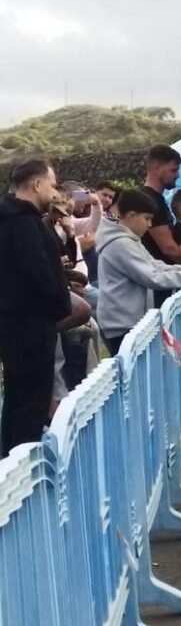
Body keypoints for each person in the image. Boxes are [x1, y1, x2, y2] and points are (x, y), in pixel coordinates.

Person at [0, 159, 72, 457]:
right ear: (37, 184)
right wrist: (58, 301)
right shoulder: (23, 223)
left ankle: (9, 462)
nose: (55, 193)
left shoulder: (14, 219)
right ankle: (21, 467)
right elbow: (37, 273)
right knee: (30, 404)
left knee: (17, 400)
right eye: (52, 185)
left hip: (17, 323)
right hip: (30, 325)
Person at [96, 189, 181, 355]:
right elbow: (152, 277)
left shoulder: (129, 240)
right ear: (131, 215)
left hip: (127, 322)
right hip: (121, 325)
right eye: (147, 218)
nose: (150, 225)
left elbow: (156, 266)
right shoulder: (121, 244)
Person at [140, 145, 181, 308]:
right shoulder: (149, 201)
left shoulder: (158, 200)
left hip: (164, 278)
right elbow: (169, 249)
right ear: (156, 168)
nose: (178, 175)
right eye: (173, 170)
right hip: (159, 281)